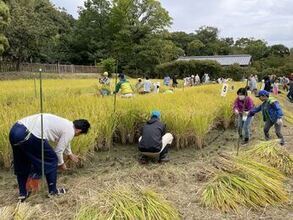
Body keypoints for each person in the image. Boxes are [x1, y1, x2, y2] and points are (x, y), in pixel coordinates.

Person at [9, 113, 90, 202]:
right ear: (79, 131)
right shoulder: (70, 131)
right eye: (79, 134)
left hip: (15, 130)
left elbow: (65, 140)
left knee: (23, 161)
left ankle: (23, 194)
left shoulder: (67, 124)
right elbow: (59, 151)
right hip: (29, 134)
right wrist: (61, 164)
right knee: (52, 159)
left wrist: (69, 153)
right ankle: (53, 191)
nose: (76, 136)